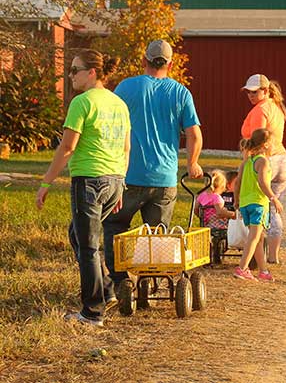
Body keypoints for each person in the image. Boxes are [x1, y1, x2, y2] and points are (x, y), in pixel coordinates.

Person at [36, 50, 130, 327]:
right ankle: (108, 291)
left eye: (75, 70)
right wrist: (121, 182)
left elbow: (67, 147)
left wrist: (46, 181)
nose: (70, 75)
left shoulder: (82, 102)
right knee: (77, 235)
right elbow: (126, 148)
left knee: (88, 246)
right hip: (113, 180)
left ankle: (92, 312)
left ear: (92, 73)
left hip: (89, 181)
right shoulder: (119, 104)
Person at [103, 40, 203, 291]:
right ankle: (152, 281)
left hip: (129, 176)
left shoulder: (126, 87)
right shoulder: (180, 92)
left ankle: (119, 283)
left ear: (144, 61)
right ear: (170, 64)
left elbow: (109, 124)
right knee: (158, 234)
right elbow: (195, 135)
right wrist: (192, 163)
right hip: (165, 179)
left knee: (116, 226)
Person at [241, 74, 286, 264]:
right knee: (273, 207)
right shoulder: (276, 107)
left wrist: (247, 163)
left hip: (266, 161)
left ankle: (256, 250)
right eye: (248, 92)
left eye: (254, 92)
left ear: (265, 91)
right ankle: (273, 255)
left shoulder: (260, 110)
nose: (251, 96)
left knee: (260, 204)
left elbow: (257, 140)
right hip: (282, 159)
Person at [233, 128, 283, 282]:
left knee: (259, 238)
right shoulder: (263, 161)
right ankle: (242, 268)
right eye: (273, 143)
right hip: (259, 204)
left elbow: (237, 183)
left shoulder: (246, 162)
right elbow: (262, 182)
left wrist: (236, 201)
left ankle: (263, 271)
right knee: (254, 238)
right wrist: (273, 198)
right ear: (266, 144)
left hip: (246, 204)